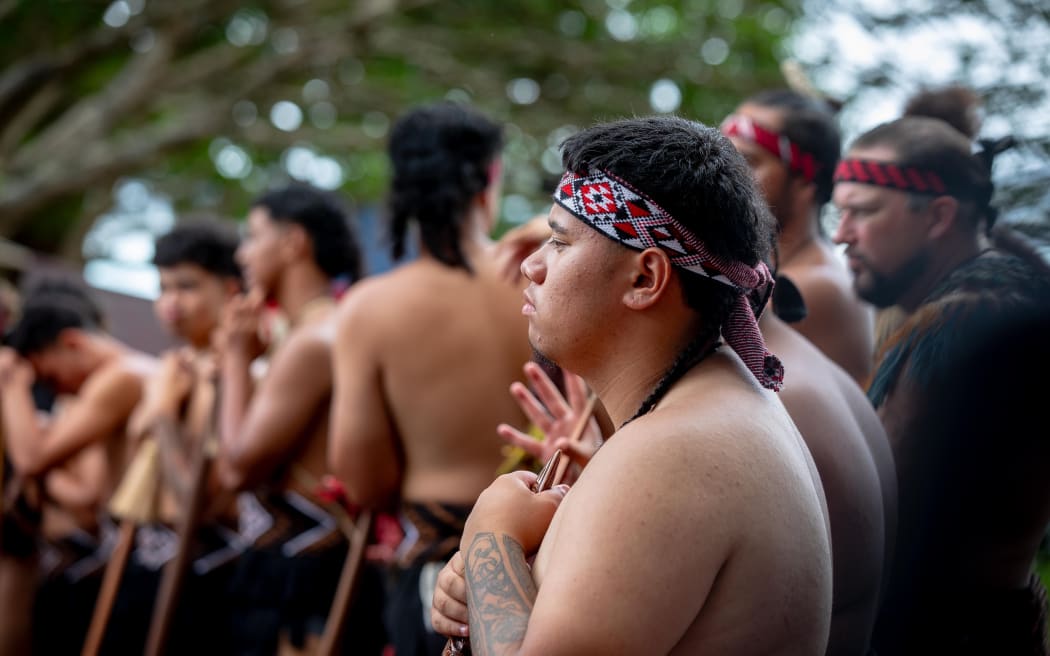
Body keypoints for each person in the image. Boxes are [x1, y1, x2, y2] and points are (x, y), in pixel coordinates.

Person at [436, 116, 832, 654]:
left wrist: (491, 537)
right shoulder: (707, 415)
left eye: (559, 241)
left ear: (646, 278)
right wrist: (494, 584)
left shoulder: (672, 456)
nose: (531, 265)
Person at [831, 116, 1050, 654]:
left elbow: (881, 522)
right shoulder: (998, 289)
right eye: (840, 213)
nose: (841, 234)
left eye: (862, 212)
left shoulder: (964, 322)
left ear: (938, 216)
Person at [328, 101, 532, 656]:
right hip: (547, 556)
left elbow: (365, 482)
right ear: (489, 181)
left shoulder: (370, 310)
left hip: (439, 577)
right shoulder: (542, 281)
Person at [214, 184, 385, 655]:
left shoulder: (314, 339)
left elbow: (236, 468)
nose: (242, 254)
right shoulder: (320, 330)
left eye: (253, 236)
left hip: (298, 579)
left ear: (294, 242)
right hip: (298, 567)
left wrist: (232, 363)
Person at [0, 278, 156, 653]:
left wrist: (12, 386)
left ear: (72, 343)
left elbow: (33, 460)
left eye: (51, 378)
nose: (59, 392)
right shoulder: (133, 371)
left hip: (147, 554)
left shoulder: (119, 376)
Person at [722, 89, 874, 382]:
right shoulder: (780, 274)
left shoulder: (813, 287)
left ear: (806, 179)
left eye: (749, 162)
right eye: (725, 157)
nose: (727, 175)